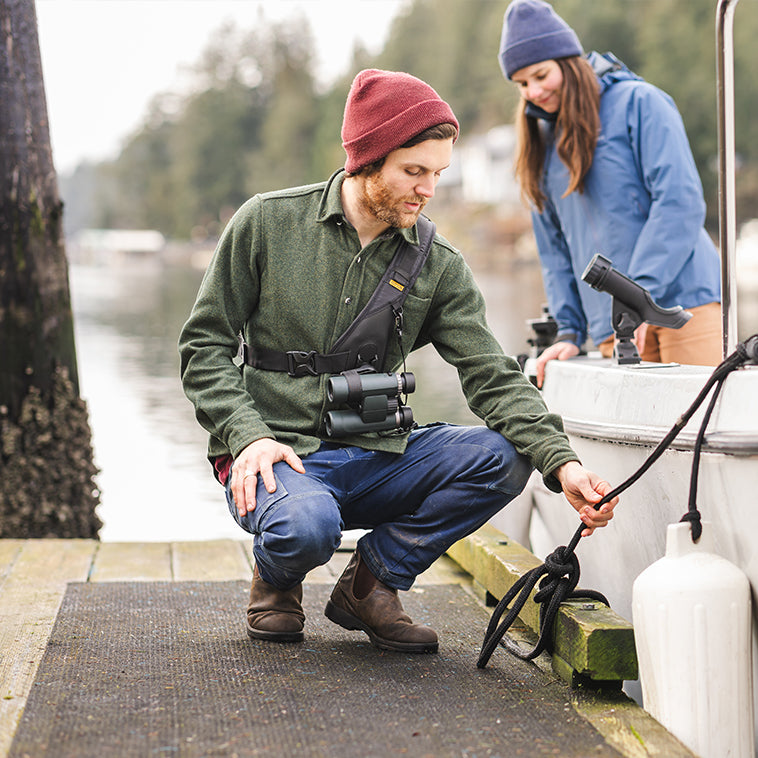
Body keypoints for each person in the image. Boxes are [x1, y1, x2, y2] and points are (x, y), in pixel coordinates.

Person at [178, 68, 617, 654]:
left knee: (505, 459)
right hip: (278, 456)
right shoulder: (264, 223)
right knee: (306, 528)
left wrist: (561, 465)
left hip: (380, 452)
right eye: (414, 172)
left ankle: (373, 580)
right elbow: (202, 347)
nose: (428, 189)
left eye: (438, 174)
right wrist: (246, 436)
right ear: (367, 159)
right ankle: (277, 579)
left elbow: (490, 374)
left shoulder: (438, 265)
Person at [498, 0, 722, 387]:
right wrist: (569, 331)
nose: (533, 91)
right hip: (613, 326)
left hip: (684, 304)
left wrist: (639, 295)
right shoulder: (540, 146)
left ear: (568, 61)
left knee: (700, 429)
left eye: (540, 74)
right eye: (522, 84)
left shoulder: (641, 103)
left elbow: (680, 203)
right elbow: (555, 251)